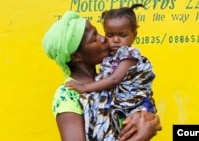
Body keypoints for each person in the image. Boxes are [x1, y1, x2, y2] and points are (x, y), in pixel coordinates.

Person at [42, 10, 161, 141]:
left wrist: (147, 115)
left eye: (99, 33)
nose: (103, 39)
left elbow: (139, 100)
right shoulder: (68, 95)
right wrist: (142, 136)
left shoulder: (108, 78)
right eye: (94, 38)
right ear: (77, 56)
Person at [65, 4, 157, 133]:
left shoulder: (129, 54)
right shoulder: (111, 56)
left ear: (134, 35)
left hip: (135, 104)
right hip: (121, 106)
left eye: (122, 35)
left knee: (131, 131)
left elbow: (114, 79)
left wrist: (85, 88)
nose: (116, 40)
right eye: (110, 35)